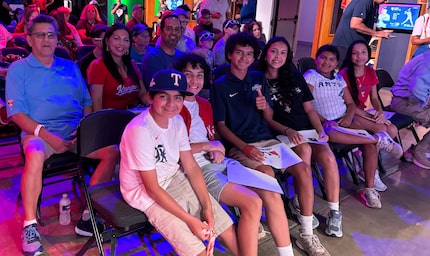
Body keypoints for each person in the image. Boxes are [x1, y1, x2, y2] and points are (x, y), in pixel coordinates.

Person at [5, 14, 119, 255]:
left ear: (57, 39)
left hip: (76, 132)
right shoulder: (18, 70)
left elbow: (87, 103)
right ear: (29, 39)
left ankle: (89, 216)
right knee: (35, 154)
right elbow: (16, 115)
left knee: (112, 152)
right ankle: (29, 226)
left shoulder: (69, 66)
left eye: (51, 35)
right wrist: (47, 136)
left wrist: (85, 129)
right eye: (40, 35)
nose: (46, 40)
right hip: (38, 131)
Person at [211, 32, 331, 256]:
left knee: (304, 170)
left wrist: (265, 105)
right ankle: (256, 218)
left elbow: (268, 117)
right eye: (239, 53)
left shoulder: (257, 78)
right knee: (267, 173)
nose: (244, 58)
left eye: (249, 54)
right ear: (229, 55)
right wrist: (245, 147)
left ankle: (306, 234)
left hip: (267, 139)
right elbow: (220, 126)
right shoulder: (221, 85)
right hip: (241, 145)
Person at [175, 53, 295, 256]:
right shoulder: (173, 105)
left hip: (219, 162)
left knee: (272, 192)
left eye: (199, 74)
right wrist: (209, 146)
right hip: (196, 170)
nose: (194, 81)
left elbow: (212, 138)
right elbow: (175, 153)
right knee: (253, 202)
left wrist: (217, 149)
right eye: (188, 74)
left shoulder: (204, 104)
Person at [119, 69, 239, 256]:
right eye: (163, 96)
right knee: (196, 249)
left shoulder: (177, 121)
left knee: (222, 224)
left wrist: (207, 206)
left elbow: (191, 167)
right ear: (150, 98)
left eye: (178, 98)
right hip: (143, 191)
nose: (171, 104)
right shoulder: (140, 130)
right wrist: (191, 220)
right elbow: (152, 188)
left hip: (171, 175)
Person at [257, 36, 343, 238]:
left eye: (283, 52)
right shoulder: (258, 78)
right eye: (274, 51)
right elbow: (267, 117)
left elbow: (309, 109)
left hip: (305, 130)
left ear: (288, 56)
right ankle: (298, 201)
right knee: (304, 149)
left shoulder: (295, 76)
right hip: (279, 132)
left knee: (328, 157)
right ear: (266, 53)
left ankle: (334, 211)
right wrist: (287, 131)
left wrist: (320, 130)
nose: (278, 56)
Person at [303, 44, 403, 209]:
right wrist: (323, 120)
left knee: (369, 147)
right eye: (323, 58)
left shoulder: (338, 79)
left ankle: (369, 189)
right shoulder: (311, 76)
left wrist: (349, 117)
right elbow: (307, 105)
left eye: (332, 60)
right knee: (332, 133)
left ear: (336, 63)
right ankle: (377, 139)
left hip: (346, 118)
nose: (327, 62)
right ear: (316, 59)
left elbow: (350, 103)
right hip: (326, 122)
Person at [340, 40, 399, 191]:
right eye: (355, 53)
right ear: (350, 55)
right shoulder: (344, 74)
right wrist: (370, 116)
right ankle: (371, 170)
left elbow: (374, 98)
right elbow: (349, 104)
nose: (359, 56)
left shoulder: (370, 72)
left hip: (364, 111)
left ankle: (365, 163)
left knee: (392, 130)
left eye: (363, 52)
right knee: (382, 129)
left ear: (368, 54)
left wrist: (379, 112)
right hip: (349, 112)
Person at [87, 23, 146, 111]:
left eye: (126, 40)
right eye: (116, 39)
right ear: (107, 41)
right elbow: (96, 104)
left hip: (135, 115)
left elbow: (142, 94)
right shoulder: (97, 66)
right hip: (111, 118)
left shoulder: (132, 65)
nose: (121, 43)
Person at [391, 50, 430, 169]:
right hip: (404, 102)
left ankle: (417, 150)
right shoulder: (426, 62)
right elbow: (418, 90)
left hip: (412, 100)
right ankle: (420, 152)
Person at [332, 0, 393, 65]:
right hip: (345, 47)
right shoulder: (364, 2)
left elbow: (369, 25)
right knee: (345, 73)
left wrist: (382, 32)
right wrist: (376, 33)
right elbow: (355, 24)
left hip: (355, 48)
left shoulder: (375, 5)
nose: (386, 1)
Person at [142, 14, 183, 88]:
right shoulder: (152, 57)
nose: (173, 32)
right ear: (160, 31)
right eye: (169, 28)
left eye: (177, 29)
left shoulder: (182, 57)